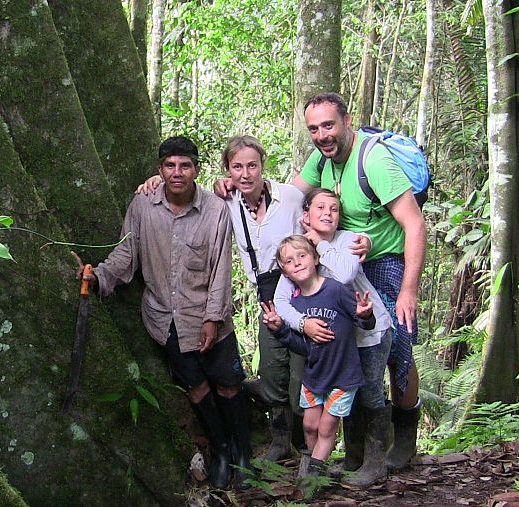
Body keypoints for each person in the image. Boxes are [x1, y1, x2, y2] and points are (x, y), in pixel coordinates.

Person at [136, 136, 370, 463]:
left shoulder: (289, 197)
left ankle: (310, 450)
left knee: (305, 376)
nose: (245, 174)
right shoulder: (224, 201)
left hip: (304, 295)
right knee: (273, 372)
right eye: (237, 167)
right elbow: (187, 190)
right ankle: (278, 443)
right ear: (227, 171)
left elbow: (325, 214)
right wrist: (154, 182)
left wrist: (360, 241)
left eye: (252, 165)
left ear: (262, 166)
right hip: (268, 300)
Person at [77, 136, 252, 490]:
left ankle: (243, 455)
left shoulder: (215, 210)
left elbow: (221, 269)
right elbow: (127, 254)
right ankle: (219, 450)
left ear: (196, 170)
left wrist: (212, 318)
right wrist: (99, 276)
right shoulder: (143, 205)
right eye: (170, 166)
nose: (177, 173)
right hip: (165, 319)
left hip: (208, 318)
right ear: (159, 170)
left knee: (229, 386)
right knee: (197, 388)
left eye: (185, 166)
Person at [293, 92, 427, 470]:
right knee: (352, 351)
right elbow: (290, 196)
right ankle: (360, 452)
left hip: (387, 264)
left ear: (347, 120)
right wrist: (234, 188)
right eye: (314, 128)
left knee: (398, 349)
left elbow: (415, 224)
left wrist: (408, 290)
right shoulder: (322, 158)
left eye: (329, 125)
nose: (322, 135)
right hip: (344, 265)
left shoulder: (375, 160)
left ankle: (403, 440)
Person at [273, 188, 393, 487]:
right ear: (306, 215)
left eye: (334, 209)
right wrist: (303, 324)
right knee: (342, 403)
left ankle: (375, 462)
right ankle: (350, 461)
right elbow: (282, 299)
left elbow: (345, 274)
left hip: (369, 330)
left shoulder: (348, 239)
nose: (327, 213)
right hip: (334, 339)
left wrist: (321, 246)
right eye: (320, 208)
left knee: (369, 393)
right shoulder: (297, 251)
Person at [261, 235, 376, 493]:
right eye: (289, 261)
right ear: (285, 271)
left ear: (315, 258)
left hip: (343, 376)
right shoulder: (297, 305)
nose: (297, 263)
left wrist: (365, 315)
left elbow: (364, 323)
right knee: (309, 425)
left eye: (302, 256)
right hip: (315, 376)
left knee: (326, 428)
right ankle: (317, 467)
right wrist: (280, 330)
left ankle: (310, 484)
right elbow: (304, 347)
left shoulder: (335, 289)